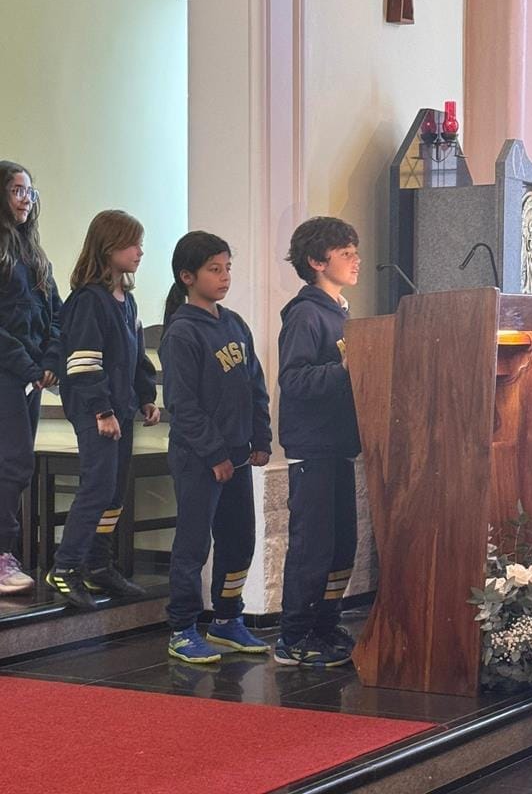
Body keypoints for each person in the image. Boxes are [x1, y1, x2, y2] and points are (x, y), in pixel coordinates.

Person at [159, 231, 271, 663]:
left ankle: (227, 618)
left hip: (238, 456)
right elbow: (183, 406)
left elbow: (254, 386)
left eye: (227, 268)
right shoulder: (183, 333)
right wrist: (215, 455)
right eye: (214, 269)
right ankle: (182, 628)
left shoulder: (234, 323)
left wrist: (260, 438)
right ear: (187, 277)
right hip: (199, 460)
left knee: (239, 540)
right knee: (193, 546)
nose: (224, 277)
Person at [45, 210, 160, 609]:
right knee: (97, 485)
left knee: (113, 489)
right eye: (133, 244)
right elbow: (83, 362)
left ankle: (97, 564)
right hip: (96, 409)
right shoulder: (88, 300)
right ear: (109, 247)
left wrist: (145, 396)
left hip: (120, 407)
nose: (140, 252)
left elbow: (136, 356)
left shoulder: (127, 301)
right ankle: (65, 566)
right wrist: (101, 410)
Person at [275, 216, 362, 667]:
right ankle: (294, 636)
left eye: (355, 252)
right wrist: (345, 369)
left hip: (338, 445)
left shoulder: (339, 311)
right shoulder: (306, 314)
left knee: (341, 545)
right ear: (316, 261)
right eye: (346, 253)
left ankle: (325, 626)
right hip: (313, 447)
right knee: (312, 547)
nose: (356, 260)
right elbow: (293, 379)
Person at [0, 160, 62, 596]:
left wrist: (51, 358)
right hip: (8, 370)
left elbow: (55, 313)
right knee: (13, 462)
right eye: (17, 191)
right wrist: (27, 364)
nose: (26, 199)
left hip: (30, 374)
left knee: (17, 465)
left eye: (29, 191)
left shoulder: (35, 254)